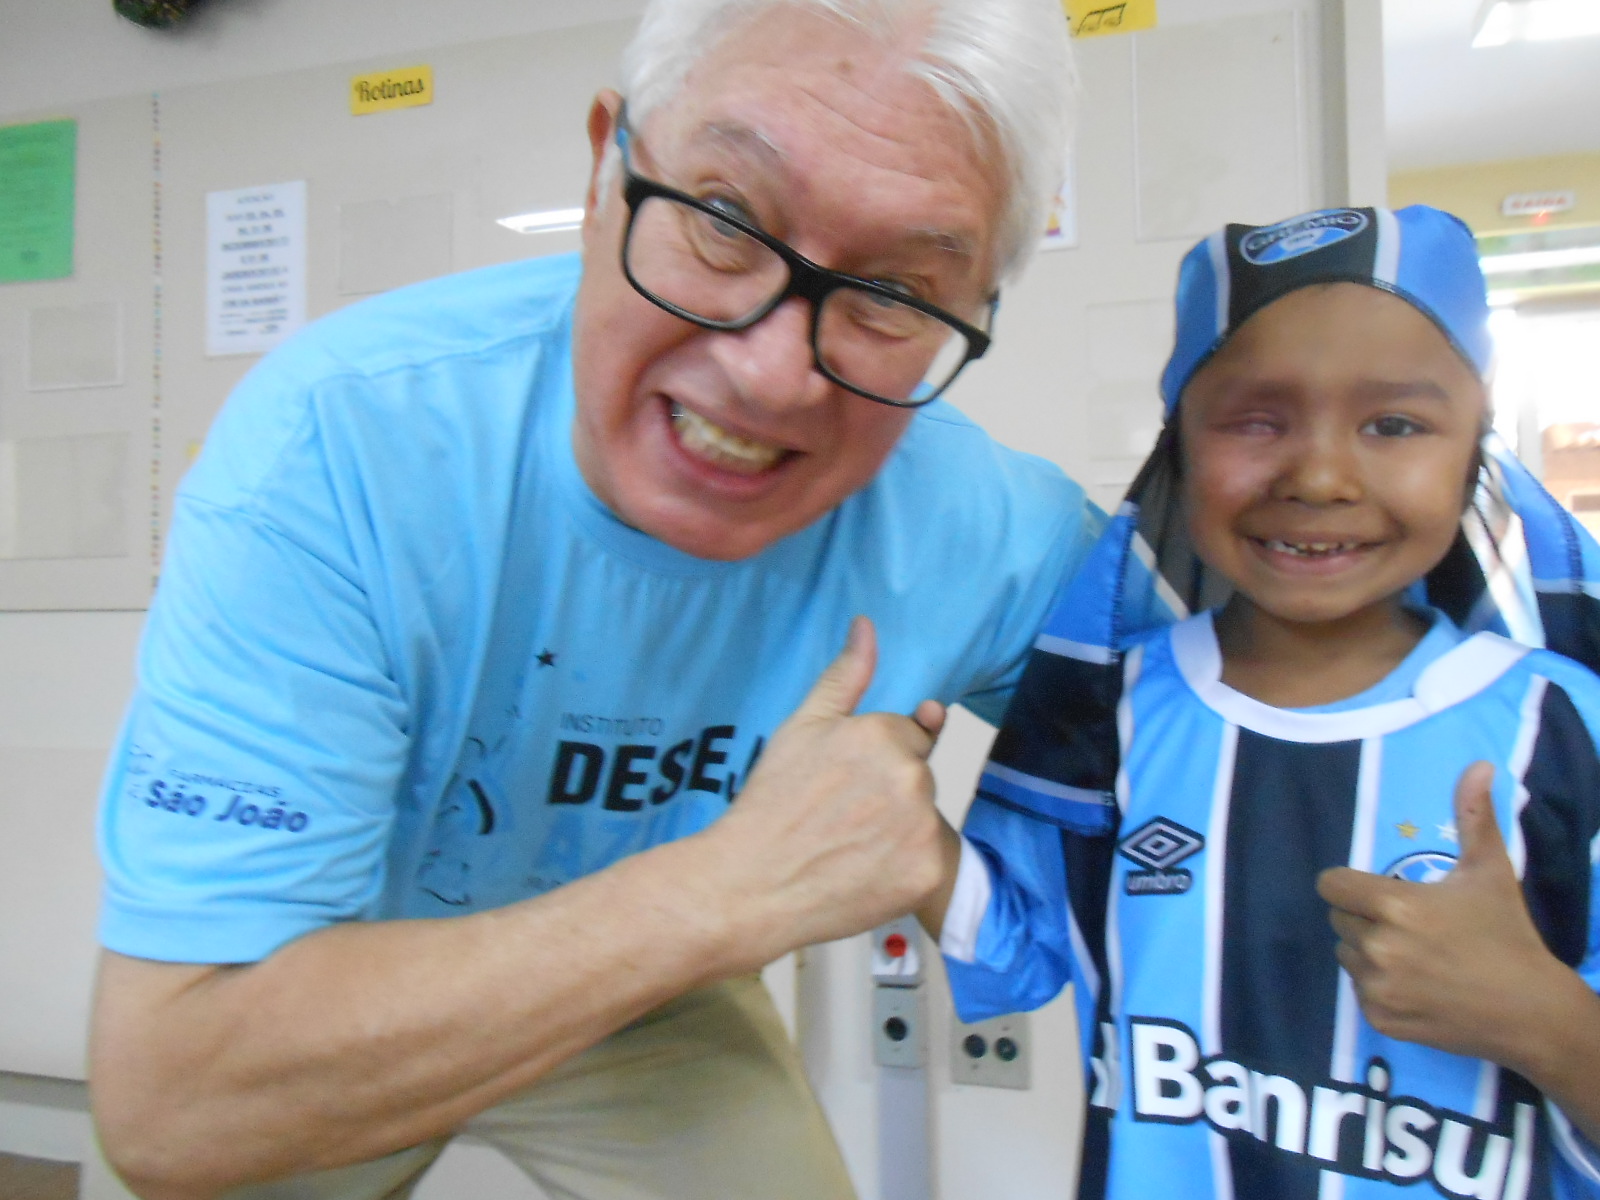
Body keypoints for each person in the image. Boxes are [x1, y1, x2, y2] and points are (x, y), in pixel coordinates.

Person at [88, 2, 1097, 1198]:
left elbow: (1263, 684)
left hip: (651, 1002)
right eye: (722, 222)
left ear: (970, 312)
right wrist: (735, 887)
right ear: (603, 170)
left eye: (892, 294)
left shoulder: (975, 525)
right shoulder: (346, 442)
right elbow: (173, 1100)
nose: (770, 375)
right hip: (317, 977)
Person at [935, 205, 1600, 1199]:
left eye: (1394, 424)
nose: (1320, 475)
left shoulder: (1565, 731)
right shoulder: (1106, 715)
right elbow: (1021, 952)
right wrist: (911, 851)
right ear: (1178, 446)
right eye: (1254, 419)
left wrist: (1544, 1020)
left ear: (1474, 448)